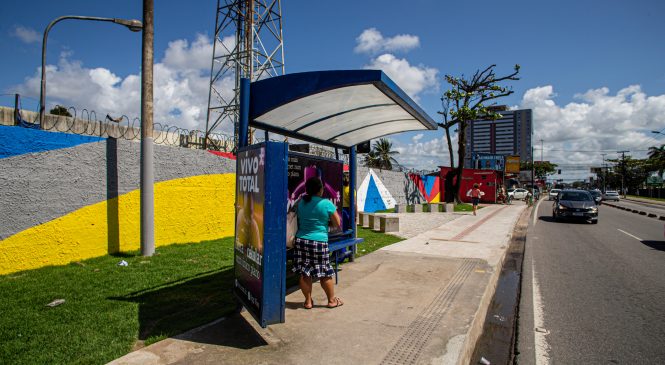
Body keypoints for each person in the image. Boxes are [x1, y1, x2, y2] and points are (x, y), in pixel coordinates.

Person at [293, 177, 343, 309]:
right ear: (321, 190)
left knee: (305, 272)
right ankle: (332, 301)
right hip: (319, 242)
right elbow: (337, 223)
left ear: (307, 190)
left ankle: (308, 302)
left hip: (301, 241)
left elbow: (292, 216)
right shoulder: (326, 204)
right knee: (324, 273)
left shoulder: (300, 202)